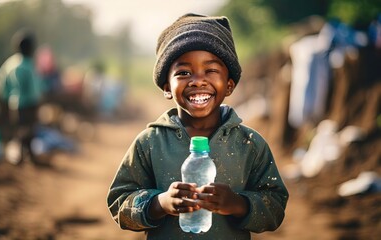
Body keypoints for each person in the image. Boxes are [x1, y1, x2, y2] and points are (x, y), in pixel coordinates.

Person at [107, 13, 289, 239]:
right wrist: (159, 203)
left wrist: (238, 204)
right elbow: (119, 201)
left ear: (230, 84)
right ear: (166, 87)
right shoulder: (150, 142)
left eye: (211, 70)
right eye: (183, 72)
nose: (197, 80)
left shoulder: (249, 144)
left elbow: (275, 206)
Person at [0, 29, 44, 164]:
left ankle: (23, 156)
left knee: (19, 130)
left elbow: (1, 85)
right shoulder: (29, 65)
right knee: (28, 130)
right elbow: (35, 89)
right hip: (29, 104)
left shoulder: (9, 64)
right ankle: (26, 156)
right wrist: (38, 102)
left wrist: (4, 101)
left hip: (13, 104)